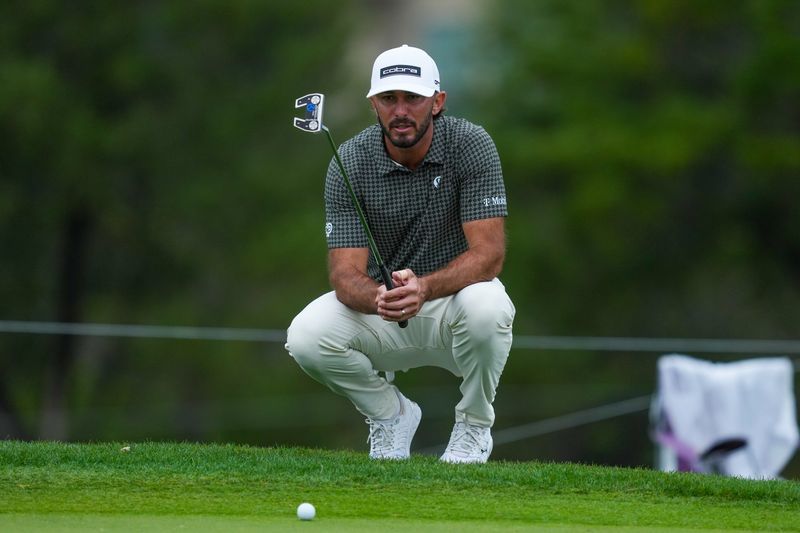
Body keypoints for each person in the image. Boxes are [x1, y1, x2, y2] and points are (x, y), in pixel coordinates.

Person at [285, 44, 514, 463]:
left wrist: (424, 288)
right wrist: (380, 297)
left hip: (454, 309)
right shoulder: (349, 159)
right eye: (389, 99)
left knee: (489, 305)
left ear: (438, 102)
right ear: (374, 104)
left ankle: (474, 427)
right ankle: (391, 416)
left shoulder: (470, 144)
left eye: (413, 97)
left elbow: (490, 255)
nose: (401, 110)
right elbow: (344, 274)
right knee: (306, 336)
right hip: (386, 312)